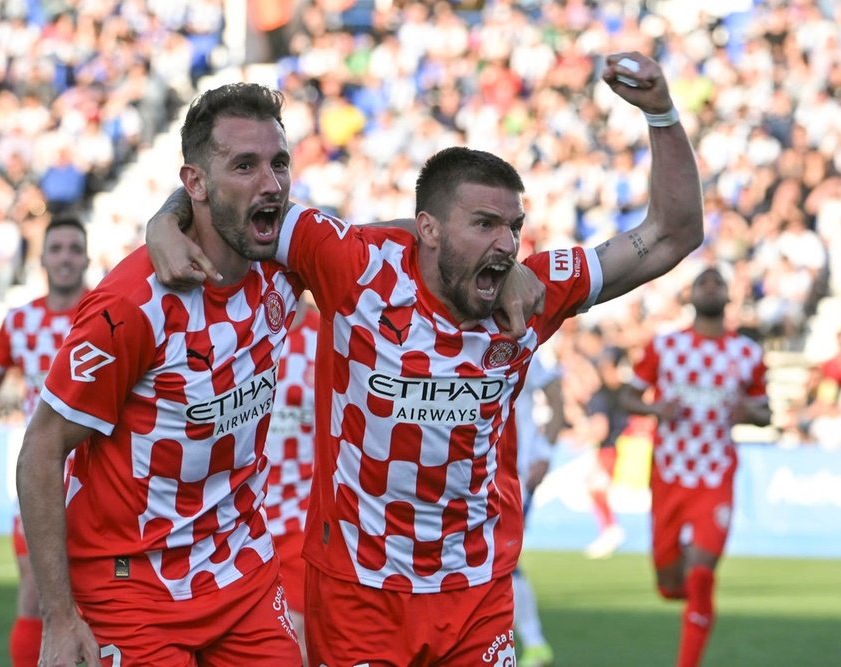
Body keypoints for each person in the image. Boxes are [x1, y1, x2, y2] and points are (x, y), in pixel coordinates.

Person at [147, 51, 703, 664]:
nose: (507, 243)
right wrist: (164, 221)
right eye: (484, 224)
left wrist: (661, 114)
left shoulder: (531, 296)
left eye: (514, 227)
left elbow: (672, 234)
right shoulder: (355, 268)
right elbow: (234, 201)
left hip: (476, 590)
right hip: (358, 591)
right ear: (428, 229)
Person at [16, 83, 305, 667]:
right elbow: (42, 448)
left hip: (239, 569)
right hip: (131, 580)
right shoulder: (131, 304)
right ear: (195, 183)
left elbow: (389, 246)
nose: (271, 183)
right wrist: (60, 618)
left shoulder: (285, 257)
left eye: (278, 163)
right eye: (244, 165)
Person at [618, 266, 771, 667]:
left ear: (729, 296)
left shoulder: (747, 353)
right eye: (703, 282)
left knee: (701, 575)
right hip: (669, 473)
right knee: (670, 584)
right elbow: (627, 396)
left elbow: (765, 411)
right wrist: (655, 409)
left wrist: (749, 412)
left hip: (715, 474)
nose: (711, 287)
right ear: (690, 296)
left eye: (718, 282)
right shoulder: (665, 346)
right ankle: (689, 594)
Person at [0, 216, 90, 667]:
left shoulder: (107, 311)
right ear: (42, 259)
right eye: (56, 248)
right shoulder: (20, 321)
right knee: (35, 592)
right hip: (41, 474)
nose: (65, 258)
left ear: (87, 259)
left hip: (98, 476)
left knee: (102, 602)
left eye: (74, 249)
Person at [265, 295, 319, 666]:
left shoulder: (325, 335)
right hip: (241, 522)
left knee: (296, 640)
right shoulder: (242, 329)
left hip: (299, 516)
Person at [512, 353, 563, 667]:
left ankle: (533, 642)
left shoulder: (519, 341)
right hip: (470, 472)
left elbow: (555, 393)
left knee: (503, 557)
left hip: (515, 473)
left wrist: (544, 451)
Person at [581, 345, 629, 559]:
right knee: (596, 489)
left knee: (597, 489)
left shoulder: (600, 396)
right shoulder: (626, 392)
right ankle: (609, 529)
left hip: (609, 450)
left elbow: (600, 429)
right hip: (622, 448)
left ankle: (610, 529)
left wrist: (585, 435)